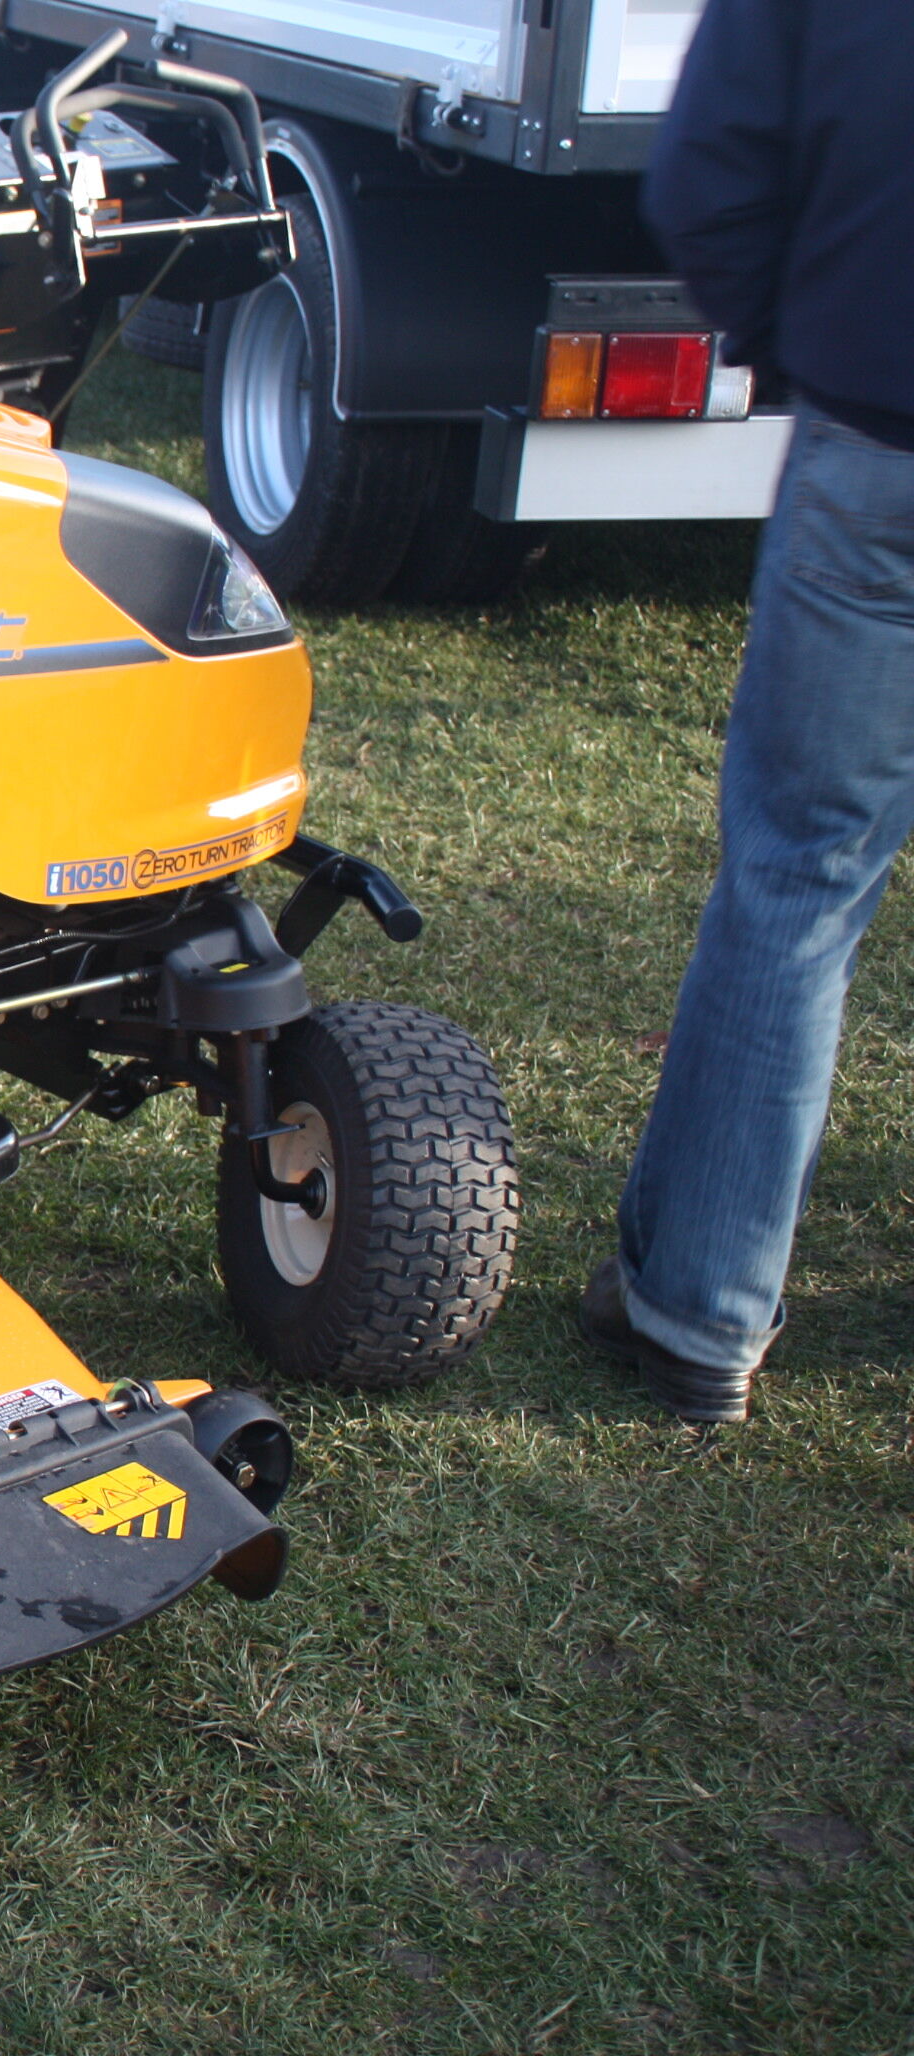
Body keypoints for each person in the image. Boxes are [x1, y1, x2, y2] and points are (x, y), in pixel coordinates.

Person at [587, 0, 914, 1423]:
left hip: (880, 443)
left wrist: (816, 351)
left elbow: (709, 177)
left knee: (796, 881)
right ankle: (681, 1289)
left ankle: (700, 1312)